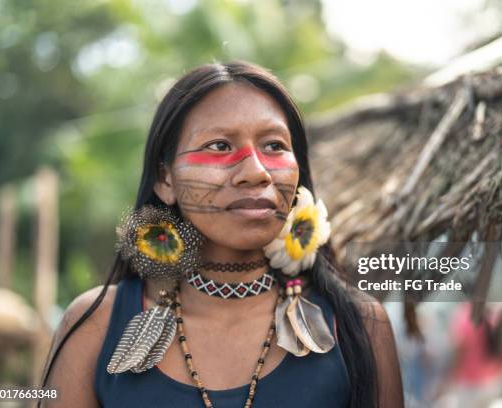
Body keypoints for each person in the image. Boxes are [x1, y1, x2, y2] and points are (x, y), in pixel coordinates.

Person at [38, 61, 403, 408]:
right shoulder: (95, 325)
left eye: (274, 145)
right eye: (220, 146)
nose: (256, 172)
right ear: (166, 179)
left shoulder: (360, 326)